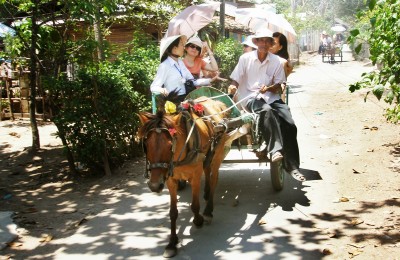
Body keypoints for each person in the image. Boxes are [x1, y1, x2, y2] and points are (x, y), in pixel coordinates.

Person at [228, 28, 305, 182]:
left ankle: (293, 166)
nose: (263, 43)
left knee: (289, 122)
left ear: (271, 44)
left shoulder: (277, 61)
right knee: (266, 111)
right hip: (250, 97)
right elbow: (236, 79)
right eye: (260, 40)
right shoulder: (245, 58)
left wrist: (270, 88)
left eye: (267, 41)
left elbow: (280, 85)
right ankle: (275, 150)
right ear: (255, 42)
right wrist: (233, 86)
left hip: (271, 96)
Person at [150, 35, 216, 105]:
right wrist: (161, 90)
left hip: (185, 99)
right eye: (181, 45)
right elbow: (154, 86)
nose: (183, 47)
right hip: (173, 102)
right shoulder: (164, 66)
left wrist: (209, 80)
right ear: (175, 48)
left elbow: (192, 81)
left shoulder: (180, 62)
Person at [270, 32, 293, 102]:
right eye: (270, 42)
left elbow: (282, 85)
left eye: (274, 44)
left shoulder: (283, 63)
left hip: (275, 97)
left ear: (280, 47)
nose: (270, 45)